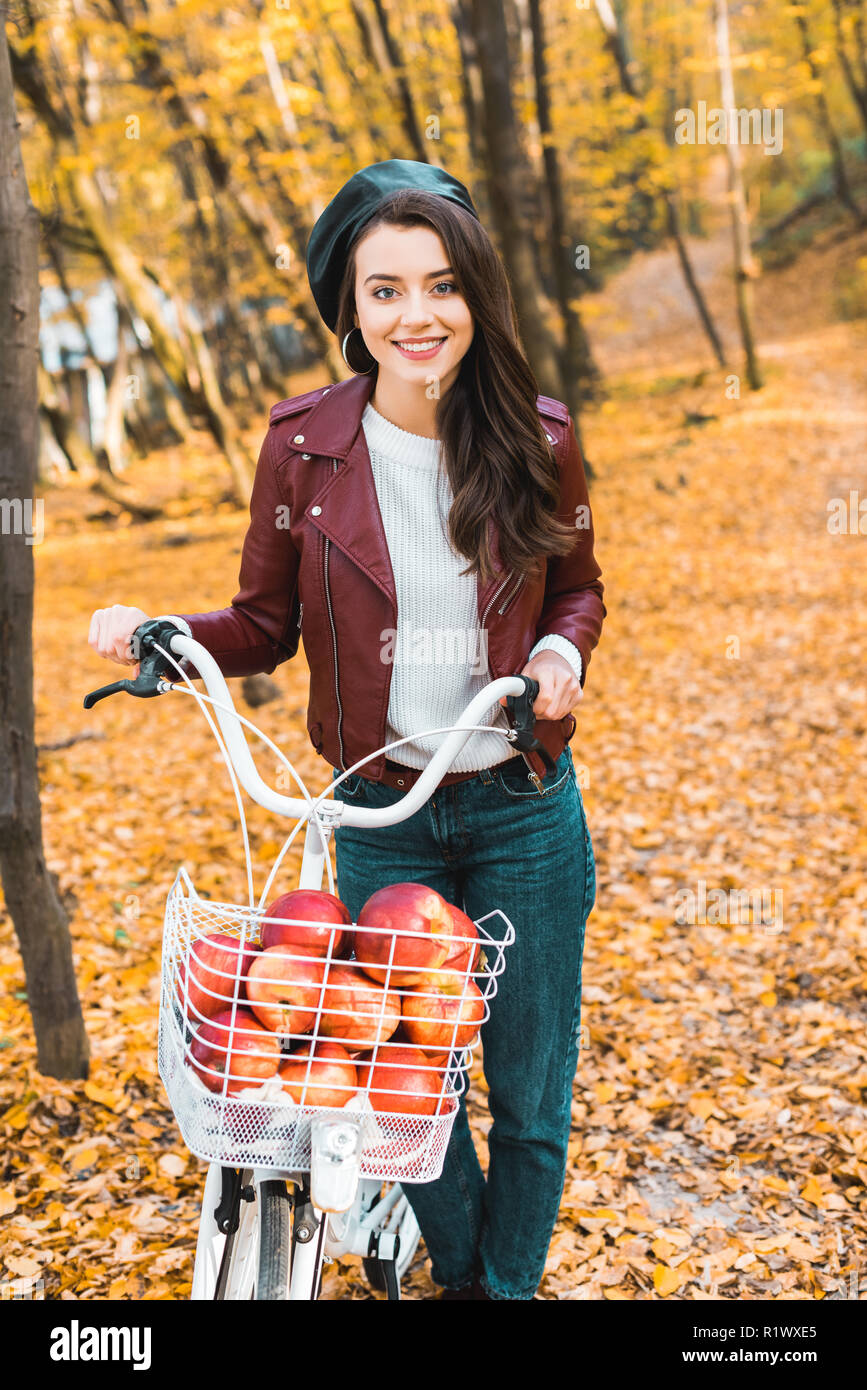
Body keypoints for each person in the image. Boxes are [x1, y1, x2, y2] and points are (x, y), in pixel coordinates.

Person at [87, 159, 606, 1301]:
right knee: (400, 1100)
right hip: (382, 814)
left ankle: (497, 1292)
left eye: (440, 286)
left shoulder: (539, 433)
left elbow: (577, 587)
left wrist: (560, 657)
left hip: (520, 804)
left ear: (476, 294)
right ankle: (471, 1278)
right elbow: (265, 622)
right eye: (385, 292)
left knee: (527, 1091)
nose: (417, 316)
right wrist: (169, 634)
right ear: (351, 310)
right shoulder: (303, 448)